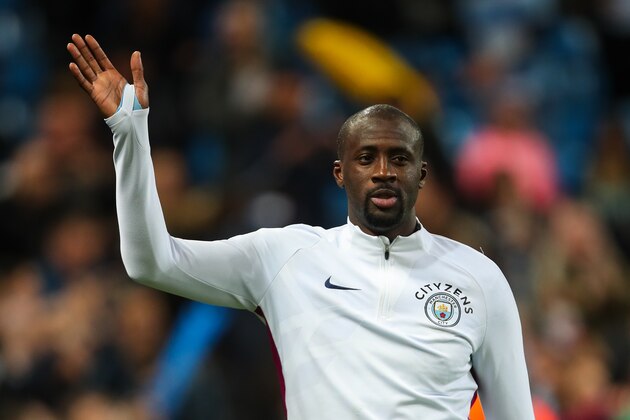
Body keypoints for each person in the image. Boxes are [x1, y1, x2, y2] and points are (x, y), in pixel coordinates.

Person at [67, 34, 535, 419]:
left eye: (400, 159)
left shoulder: (479, 278)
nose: (384, 171)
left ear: (423, 174)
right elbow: (152, 262)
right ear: (339, 173)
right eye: (366, 158)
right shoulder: (286, 257)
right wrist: (129, 134)